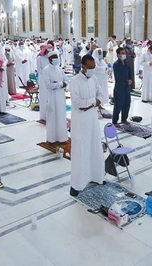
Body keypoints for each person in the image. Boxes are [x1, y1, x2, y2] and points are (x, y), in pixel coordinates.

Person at [69, 55, 105, 196]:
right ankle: (76, 184)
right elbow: (77, 103)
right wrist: (92, 102)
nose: (92, 70)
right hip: (80, 121)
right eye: (90, 67)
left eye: (93, 67)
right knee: (80, 151)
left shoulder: (94, 79)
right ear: (83, 66)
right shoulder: (74, 81)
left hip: (92, 119)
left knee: (94, 147)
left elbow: (101, 95)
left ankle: (96, 177)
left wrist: (91, 103)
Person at [43, 51, 68, 143]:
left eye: (56, 57)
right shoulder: (46, 70)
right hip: (51, 97)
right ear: (49, 59)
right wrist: (60, 84)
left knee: (61, 116)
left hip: (60, 95)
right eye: (53, 57)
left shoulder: (59, 68)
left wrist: (58, 84)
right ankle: (52, 138)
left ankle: (62, 137)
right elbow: (48, 85)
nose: (55, 59)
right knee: (52, 117)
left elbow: (66, 80)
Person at [112, 47, 132, 128]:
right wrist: (126, 81)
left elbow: (130, 72)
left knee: (127, 103)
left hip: (127, 87)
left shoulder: (126, 63)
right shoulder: (116, 64)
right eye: (122, 53)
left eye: (124, 53)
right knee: (118, 104)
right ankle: (115, 121)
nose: (124, 55)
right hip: (119, 87)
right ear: (118, 55)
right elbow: (118, 77)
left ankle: (124, 119)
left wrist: (130, 79)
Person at [37, 44, 53, 122]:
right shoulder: (40, 58)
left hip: (51, 80)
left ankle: (50, 114)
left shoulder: (50, 58)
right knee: (44, 97)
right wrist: (46, 73)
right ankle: (43, 115)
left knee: (50, 98)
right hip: (43, 80)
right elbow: (39, 69)